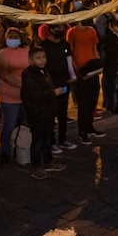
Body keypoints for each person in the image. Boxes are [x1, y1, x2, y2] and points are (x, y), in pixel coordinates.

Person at [21, 46, 66, 179]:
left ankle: (48, 161)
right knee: (37, 140)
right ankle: (36, 166)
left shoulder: (44, 72)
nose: (42, 61)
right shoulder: (29, 74)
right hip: (37, 112)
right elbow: (35, 94)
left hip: (47, 111)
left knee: (47, 138)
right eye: (38, 58)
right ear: (30, 60)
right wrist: (53, 93)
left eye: (43, 57)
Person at [0, 27, 29, 166]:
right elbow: (0, 73)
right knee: (9, 124)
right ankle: (5, 153)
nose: (13, 39)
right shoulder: (1, 54)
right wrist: (21, 85)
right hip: (9, 96)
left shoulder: (26, 52)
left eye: (15, 36)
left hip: (25, 95)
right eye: (10, 36)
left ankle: (22, 150)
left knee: (25, 125)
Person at [38, 24, 76, 153]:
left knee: (63, 112)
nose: (60, 31)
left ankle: (63, 139)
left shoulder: (64, 44)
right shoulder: (44, 45)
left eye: (62, 28)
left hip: (64, 82)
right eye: (57, 28)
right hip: (50, 84)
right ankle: (51, 142)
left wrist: (72, 75)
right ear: (51, 30)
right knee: (50, 114)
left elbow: (69, 61)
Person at [65, 15, 101, 144]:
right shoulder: (72, 32)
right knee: (83, 103)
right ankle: (82, 132)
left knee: (93, 100)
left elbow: (95, 48)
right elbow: (70, 51)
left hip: (92, 70)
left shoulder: (92, 31)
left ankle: (90, 127)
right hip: (81, 70)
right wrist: (75, 69)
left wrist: (98, 64)